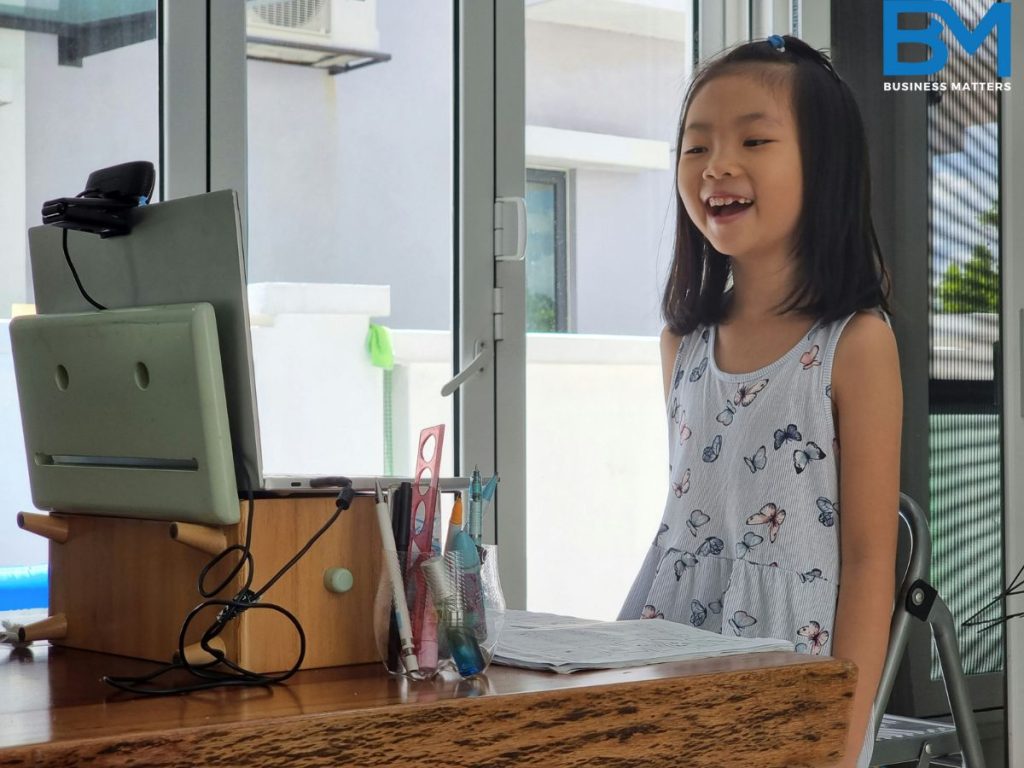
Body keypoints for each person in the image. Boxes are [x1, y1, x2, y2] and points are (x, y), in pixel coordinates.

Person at [618, 35, 902, 768]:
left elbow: (871, 559)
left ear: (825, 168)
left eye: (755, 139)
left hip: (790, 673)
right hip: (668, 649)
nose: (717, 165)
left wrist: (846, 728)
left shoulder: (856, 344)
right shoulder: (681, 344)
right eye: (695, 145)